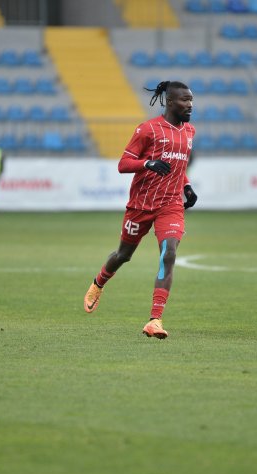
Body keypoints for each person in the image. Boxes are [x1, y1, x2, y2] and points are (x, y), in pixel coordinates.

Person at [83, 81, 197, 339]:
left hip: (170, 205)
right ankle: (98, 283)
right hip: (141, 205)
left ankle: (155, 319)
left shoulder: (189, 131)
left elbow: (179, 166)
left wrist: (186, 187)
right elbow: (123, 164)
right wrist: (148, 163)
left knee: (168, 254)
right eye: (185, 100)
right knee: (123, 254)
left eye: (191, 100)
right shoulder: (148, 130)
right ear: (170, 102)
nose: (190, 104)